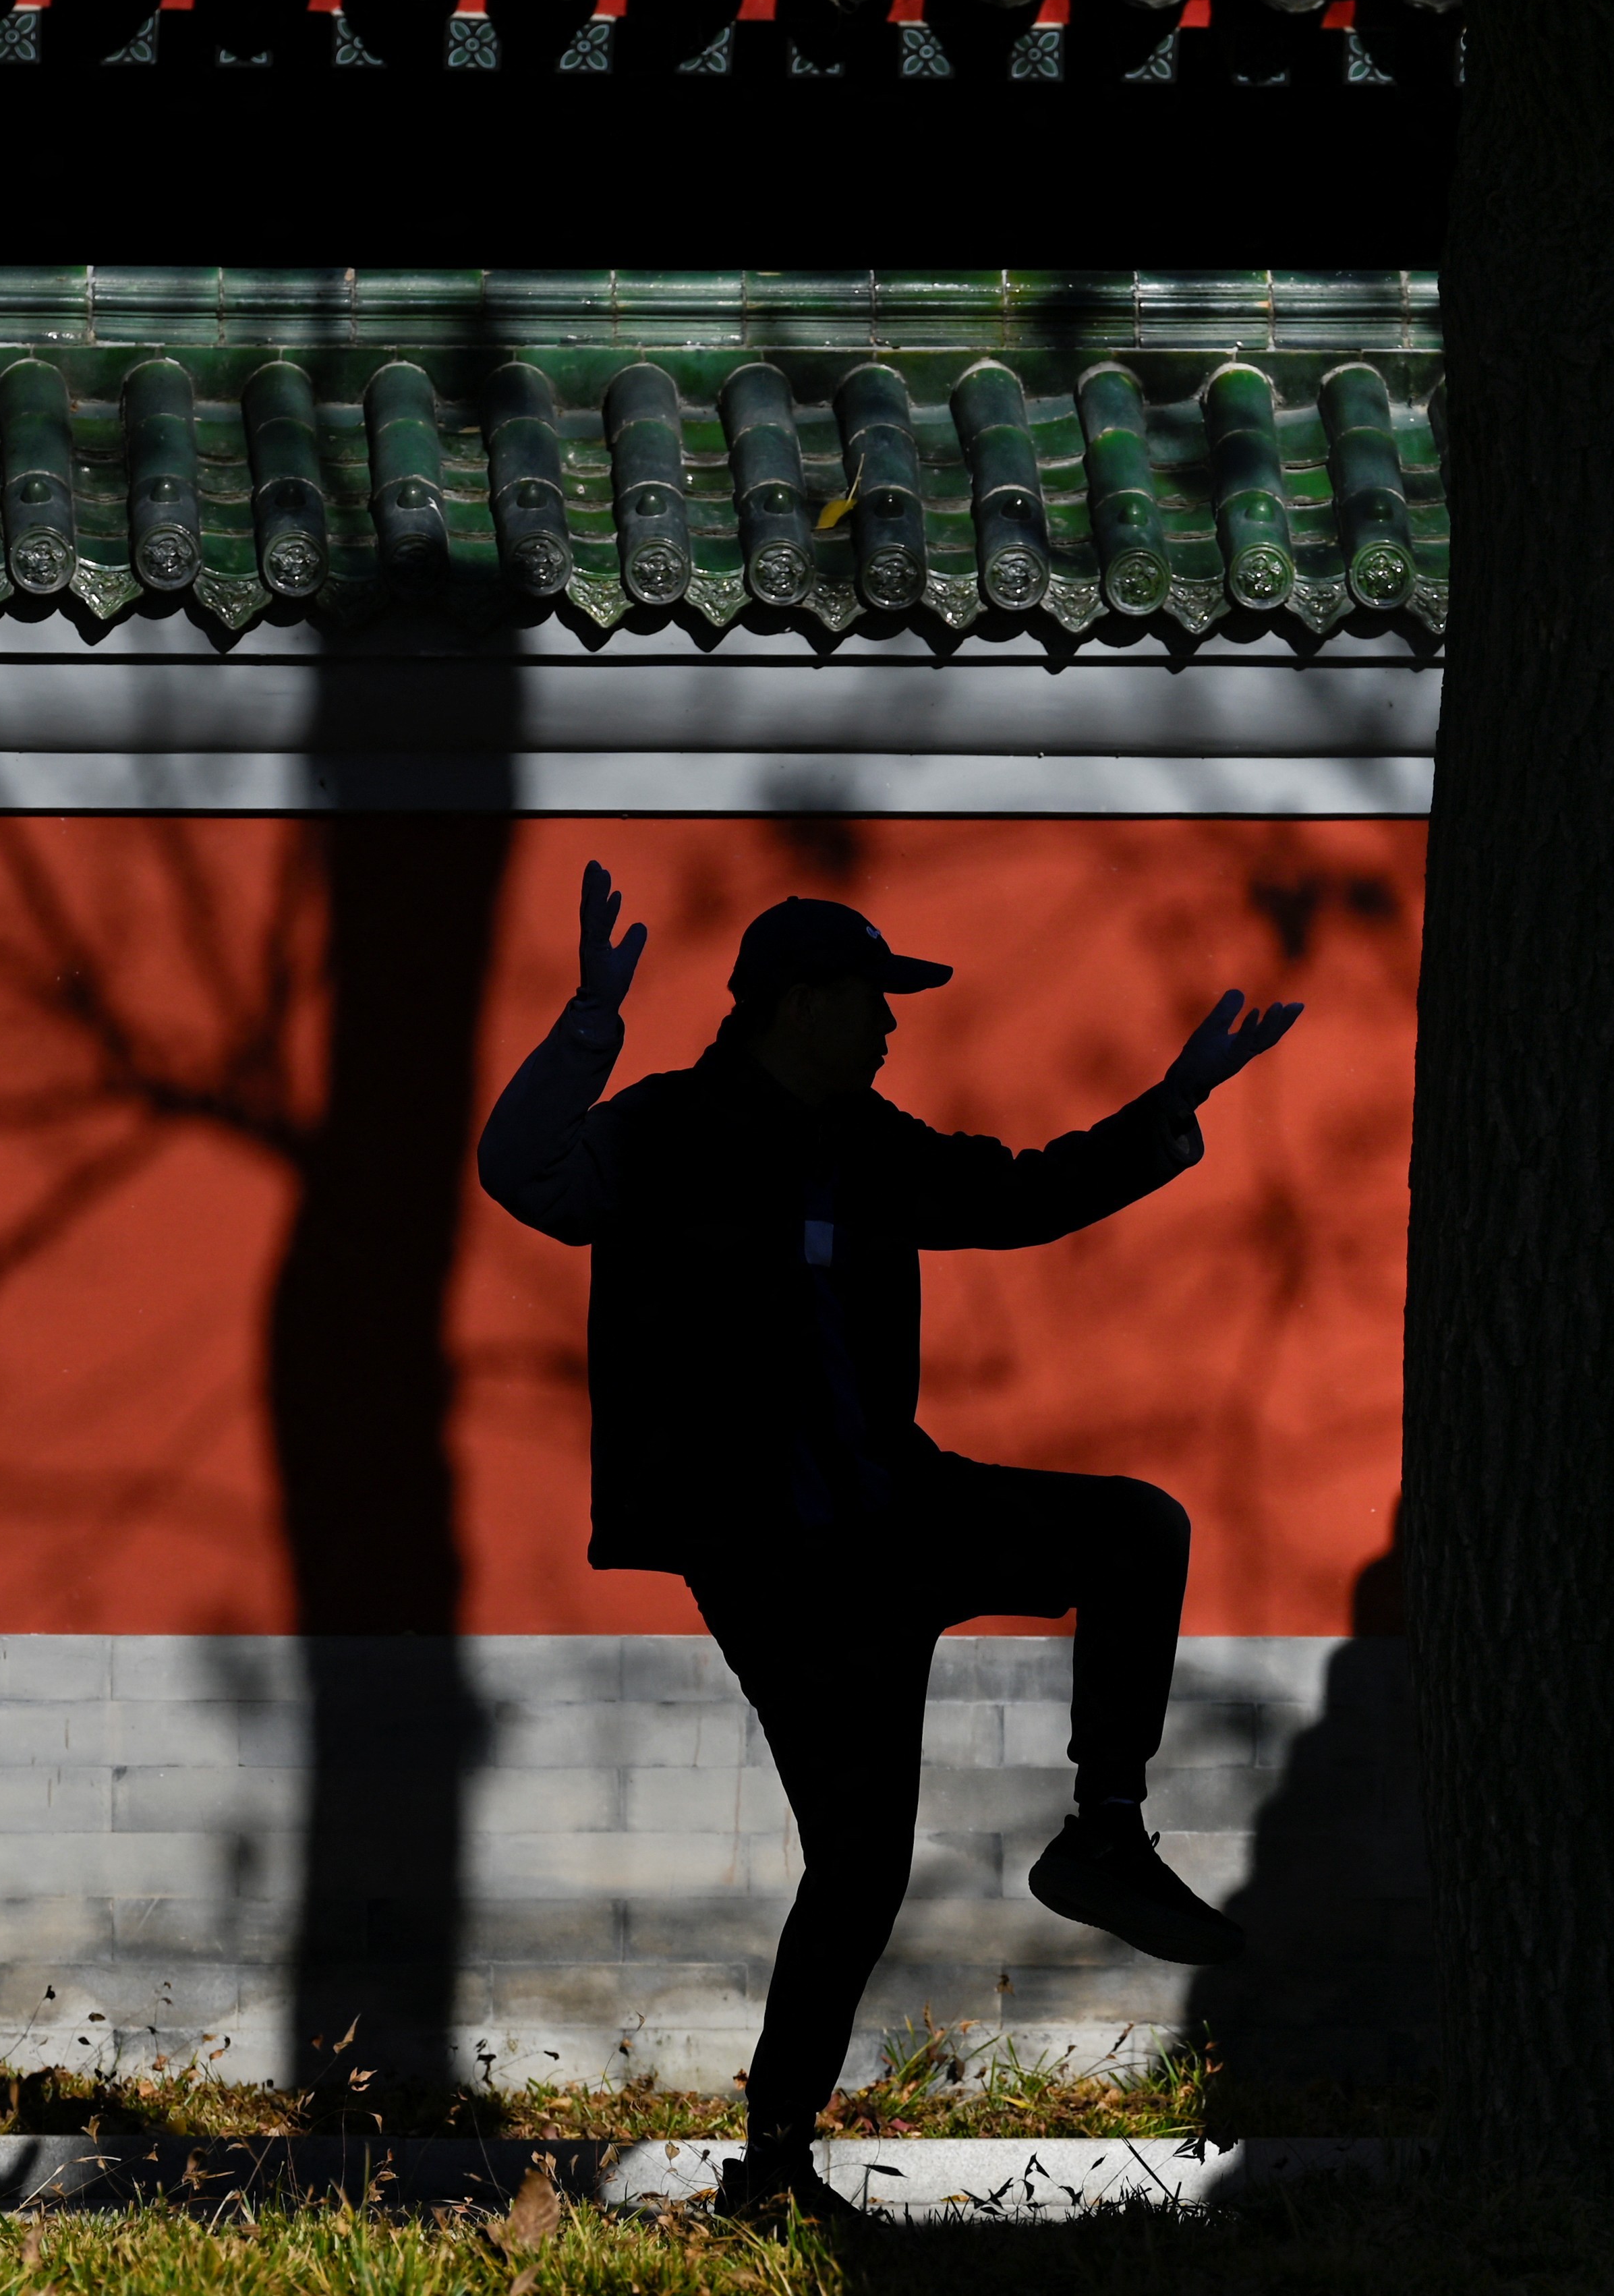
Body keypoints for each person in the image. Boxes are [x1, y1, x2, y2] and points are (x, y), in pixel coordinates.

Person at [475, 861, 1300, 2232]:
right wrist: (583, 1026)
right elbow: (522, 1173)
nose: (889, 1023)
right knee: (858, 1863)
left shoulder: (864, 1141)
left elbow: (1018, 1195)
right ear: (796, 1001)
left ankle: (1101, 1832)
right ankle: (774, 2160)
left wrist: (1172, 1106)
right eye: (871, 997)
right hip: (773, 1556)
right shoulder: (666, 1129)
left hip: (896, 1512)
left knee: (1131, 1529)